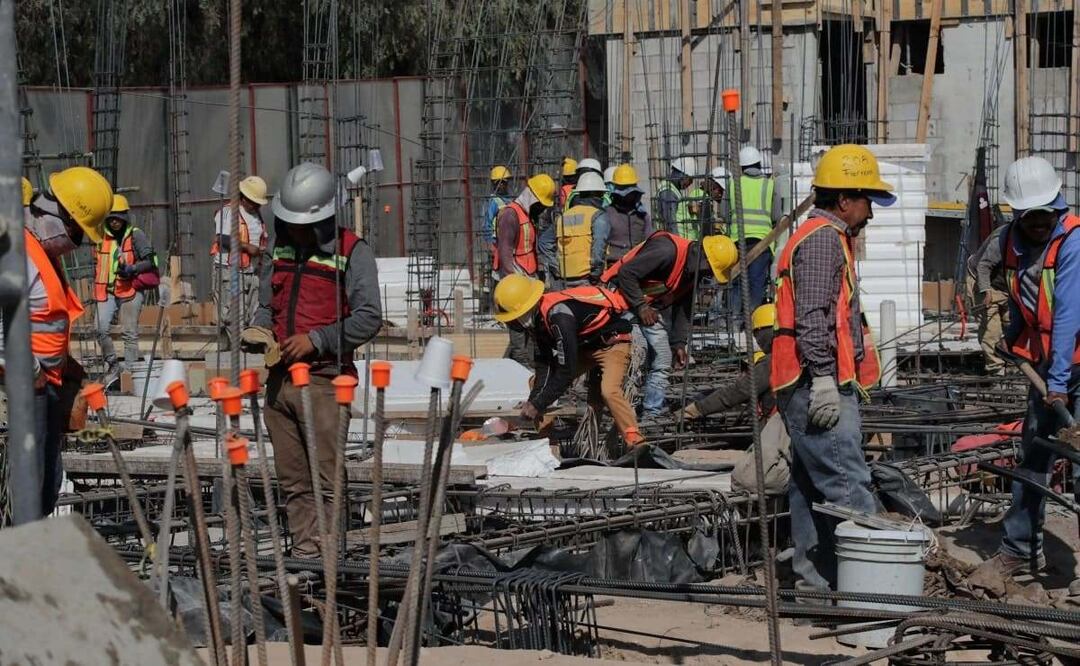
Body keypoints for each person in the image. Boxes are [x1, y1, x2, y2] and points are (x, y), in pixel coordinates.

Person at [770, 144, 895, 592]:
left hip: (804, 380)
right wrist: (823, 378)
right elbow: (813, 317)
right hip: (815, 382)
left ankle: (814, 584)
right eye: (867, 200)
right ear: (844, 199)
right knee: (848, 485)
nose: (870, 213)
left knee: (808, 487)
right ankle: (872, 591)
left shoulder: (823, 236)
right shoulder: (823, 240)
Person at [246, 162, 382, 558]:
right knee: (293, 480)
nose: (294, 230)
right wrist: (259, 330)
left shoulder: (352, 252)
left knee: (326, 480)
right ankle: (307, 553)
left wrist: (317, 341)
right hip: (280, 382)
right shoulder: (280, 245)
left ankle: (330, 556)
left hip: (325, 381)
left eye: (302, 224)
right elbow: (267, 305)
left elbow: (369, 317)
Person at [971, 156, 1080, 592]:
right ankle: (1019, 549)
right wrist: (1012, 337)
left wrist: (1058, 384)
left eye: (1045, 214)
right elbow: (1024, 297)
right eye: (1029, 215)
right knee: (1033, 458)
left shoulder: (1073, 242)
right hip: (1045, 366)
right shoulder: (1009, 243)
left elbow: (1067, 313)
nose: (1038, 223)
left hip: (1072, 364)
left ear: (1058, 205)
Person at [23, 167, 111, 516]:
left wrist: (67, 366)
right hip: (23, 389)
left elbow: (41, 322)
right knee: (26, 495)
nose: (76, 241)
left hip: (44, 387)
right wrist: (33, 373)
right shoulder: (17, 254)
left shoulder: (42, 255)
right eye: (76, 231)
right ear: (57, 215)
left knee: (46, 488)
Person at [492, 275, 645, 447]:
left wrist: (538, 404)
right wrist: (534, 402)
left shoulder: (560, 317)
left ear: (523, 310)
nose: (512, 325)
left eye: (512, 320)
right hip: (584, 349)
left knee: (609, 391)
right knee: (535, 383)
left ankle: (635, 441)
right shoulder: (536, 321)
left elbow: (567, 371)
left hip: (612, 345)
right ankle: (546, 442)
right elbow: (544, 367)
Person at [601, 231, 737, 420]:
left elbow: (684, 306)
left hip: (644, 307)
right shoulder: (666, 252)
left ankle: (652, 413)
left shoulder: (693, 270)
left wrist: (679, 342)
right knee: (636, 355)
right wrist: (641, 306)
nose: (709, 276)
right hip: (618, 299)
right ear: (704, 257)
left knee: (662, 358)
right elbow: (626, 273)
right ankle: (623, 409)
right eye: (710, 270)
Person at [93, 194, 157, 387]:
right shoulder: (101, 236)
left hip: (130, 288)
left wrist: (133, 269)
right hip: (107, 290)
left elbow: (152, 261)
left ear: (125, 217)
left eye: (118, 218)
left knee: (129, 332)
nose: (114, 222)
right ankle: (113, 365)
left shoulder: (136, 235)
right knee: (99, 328)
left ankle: (129, 376)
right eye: (111, 218)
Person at [495, 173, 556, 367]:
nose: (542, 209)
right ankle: (520, 371)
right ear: (532, 198)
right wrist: (513, 282)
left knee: (529, 332)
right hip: (514, 286)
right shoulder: (510, 215)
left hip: (527, 281)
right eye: (541, 204)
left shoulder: (527, 215)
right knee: (519, 334)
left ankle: (522, 369)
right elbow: (505, 250)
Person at [679, 303, 775, 420]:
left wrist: (696, 409)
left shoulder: (772, 361)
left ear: (766, 331)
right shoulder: (787, 354)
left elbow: (739, 391)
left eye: (756, 334)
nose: (757, 339)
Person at [212, 175, 269, 349]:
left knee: (253, 312)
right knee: (234, 313)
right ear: (244, 198)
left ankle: (251, 346)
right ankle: (239, 350)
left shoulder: (257, 215)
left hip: (252, 271)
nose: (257, 206)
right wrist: (247, 247)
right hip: (231, 271)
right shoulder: (228, 212)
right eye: (254, 202)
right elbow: (222, 239)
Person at [726, 146, 781, 316]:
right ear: (759, 164)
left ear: (742, 166)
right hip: (762, 242)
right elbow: (777, 215)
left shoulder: (733, 184)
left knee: (737, 281)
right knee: (757, 282)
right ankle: (753, 319)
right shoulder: (769, 185)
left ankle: (734, 318)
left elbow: (723, 213)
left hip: (737, 241)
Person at [539, 171, 608, 287]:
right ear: (596, 194)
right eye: (601, 194)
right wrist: (595, 274)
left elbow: (543, 242)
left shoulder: (563, 217)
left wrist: (556, 268)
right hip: (588, 280)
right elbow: (599, 248)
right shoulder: (598, 216)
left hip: (564, 280)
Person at [966, 223, 1009, 375]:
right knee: (991, 329)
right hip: (983, 281)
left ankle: (1012, 363)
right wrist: (985, 290)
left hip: (1007, 287)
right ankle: (995, 368)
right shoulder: (1003, 239)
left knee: (1014, 326)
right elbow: (983, 266)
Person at [600, 164, 653, 267]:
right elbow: (600, 244)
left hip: (637, 264)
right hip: (614, 265)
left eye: (631, 192)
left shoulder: (642, 215)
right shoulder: (607, 214)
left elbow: (649, 240)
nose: (628, 196)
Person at [656, 157, 697, 237]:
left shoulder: (674, 190)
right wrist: (676, 242)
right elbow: (670, 224)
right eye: (690, 179)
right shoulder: (668, 192)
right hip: (674, 241)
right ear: (682, 175)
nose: (691, 183)